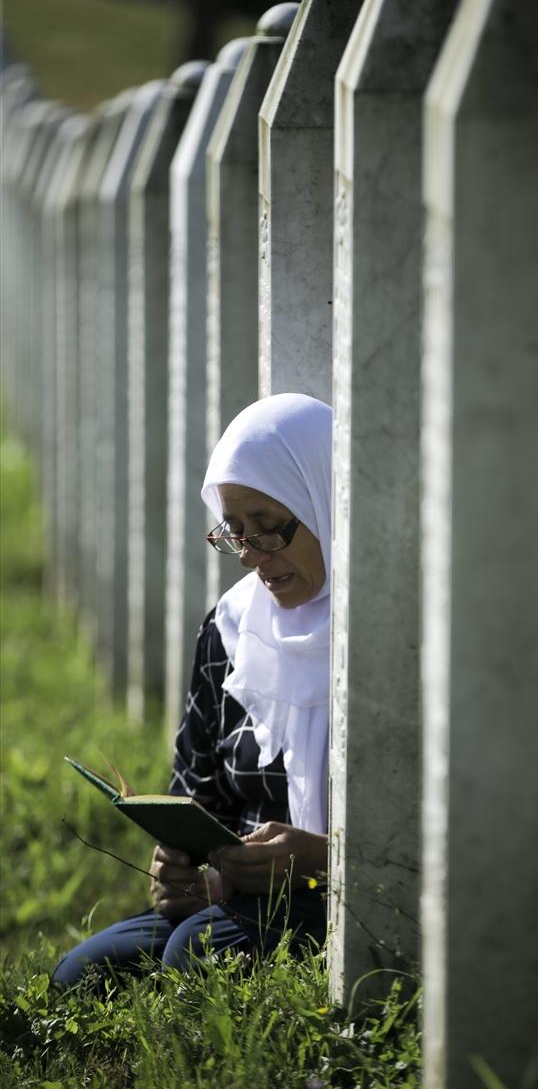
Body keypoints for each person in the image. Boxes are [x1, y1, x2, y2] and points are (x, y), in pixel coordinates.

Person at [54, 394, 332, 985]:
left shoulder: (397, 643)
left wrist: (325, 858)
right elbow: (199, 792)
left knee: (193, 952)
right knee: (82, 972)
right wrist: (181, 869)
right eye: (235, 534)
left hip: (337, 893)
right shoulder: (233, 628)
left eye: (270, 530)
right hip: (233, 897)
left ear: (327, 501)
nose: (253, 558)